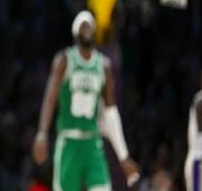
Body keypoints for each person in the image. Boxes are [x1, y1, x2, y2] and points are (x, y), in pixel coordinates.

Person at [32, 10, 140, 191]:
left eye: (90, 26)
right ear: (75, 31)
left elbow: (111, 113)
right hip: (69, 141)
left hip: (92, 142)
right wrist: (42, 133)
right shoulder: (64, 60)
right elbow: (50, 99)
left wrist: (123, 156)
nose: (87, 29)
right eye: (83, 25)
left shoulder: (104, 66)